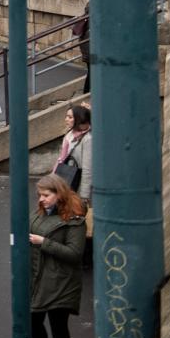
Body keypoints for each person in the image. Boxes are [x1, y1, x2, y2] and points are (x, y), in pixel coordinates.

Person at [30, 175, 87, 338]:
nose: (41, 199)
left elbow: (74, 253)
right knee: (32, 321)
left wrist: (44, 242)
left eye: (46, 195)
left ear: (58, 194)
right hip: (38, 276)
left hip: (62, 280)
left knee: (58, 326)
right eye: (39, 195)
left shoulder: (75, 219)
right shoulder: (41, 212)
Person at [54, 103, 93, 267]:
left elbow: (88, 168)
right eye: (67, 116)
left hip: (77, 187)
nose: (66, 120)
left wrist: (83, 196)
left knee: (79, 222)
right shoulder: (71, 134)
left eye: (70, 117)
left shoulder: (88, 139)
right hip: (66, 181)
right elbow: (61, 158)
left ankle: (84, 259)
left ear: (79, 119)